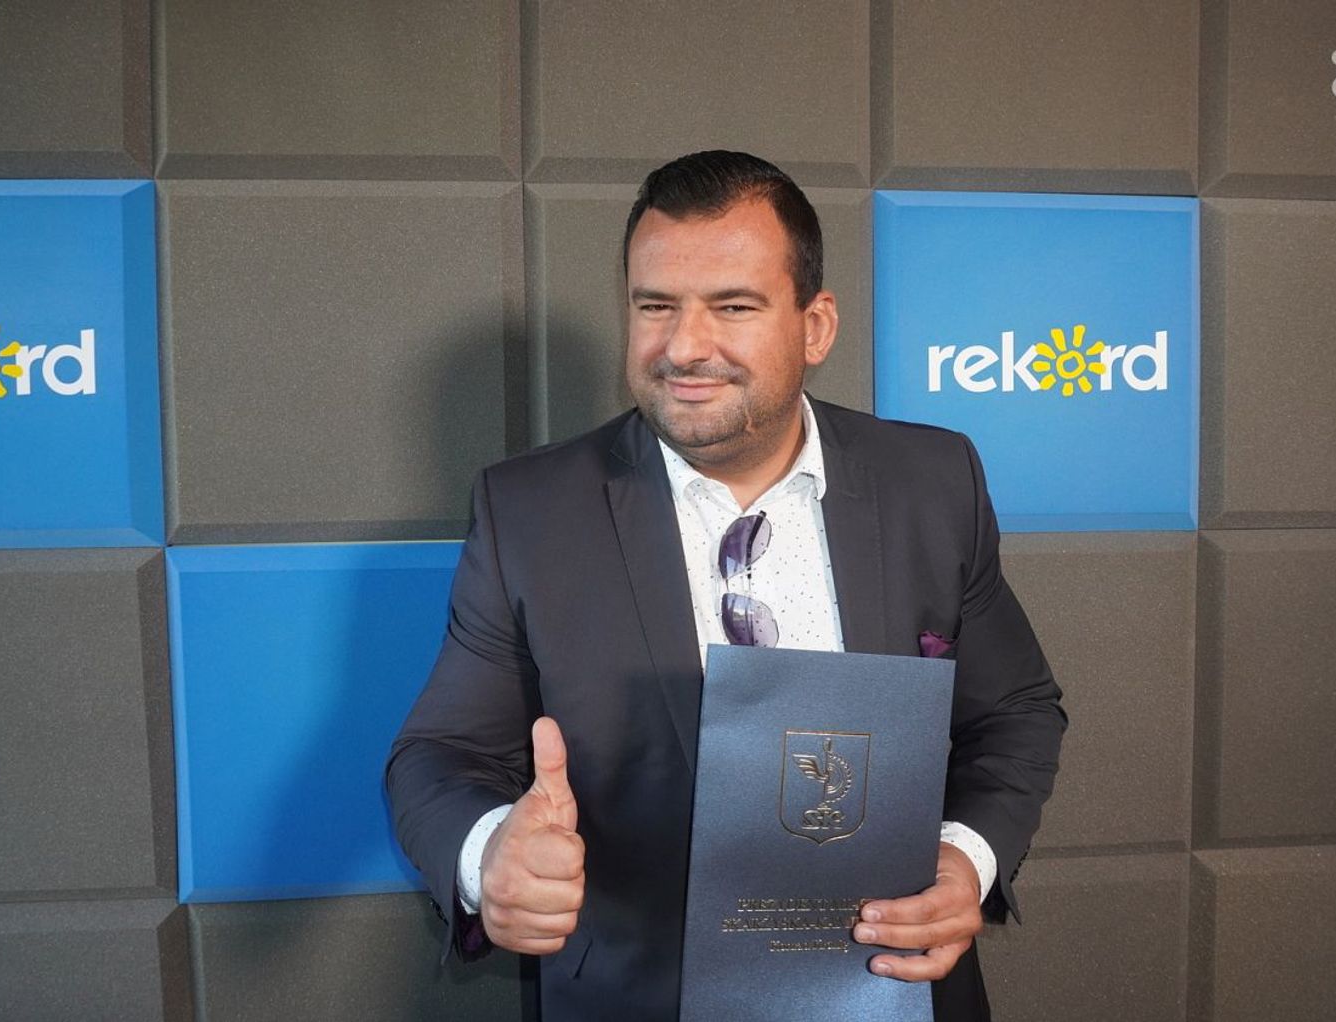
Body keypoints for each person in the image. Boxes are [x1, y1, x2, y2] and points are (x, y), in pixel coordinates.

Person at [386, 150, 1065, 1021]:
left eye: (733, 307)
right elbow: (439, 755)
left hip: (894, 988)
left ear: (815, 326)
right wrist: (490, 857)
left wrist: (964, 858)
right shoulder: (530, 512)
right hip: (634, 995)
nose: (683, 347)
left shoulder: (933, 481)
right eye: (655, 306)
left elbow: (1015, 711)